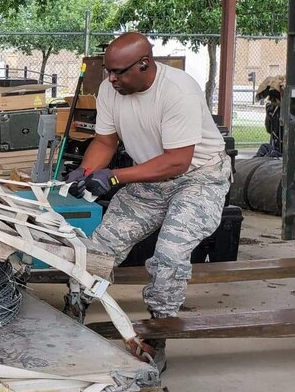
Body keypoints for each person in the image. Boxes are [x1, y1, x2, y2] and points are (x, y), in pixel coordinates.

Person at [66, 32, 231, 371]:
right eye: (108, 72)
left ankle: (158, 332)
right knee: (100, 246)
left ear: (144, 64)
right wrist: (84, 171)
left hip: (199, 179)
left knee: (170, 253)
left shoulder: (178, 91)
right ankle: (74, 307)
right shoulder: (111, 89)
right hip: (151, 179)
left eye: (119, 72)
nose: (111, 79)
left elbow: (177, 162)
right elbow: (104, 141)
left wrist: (113, 177)